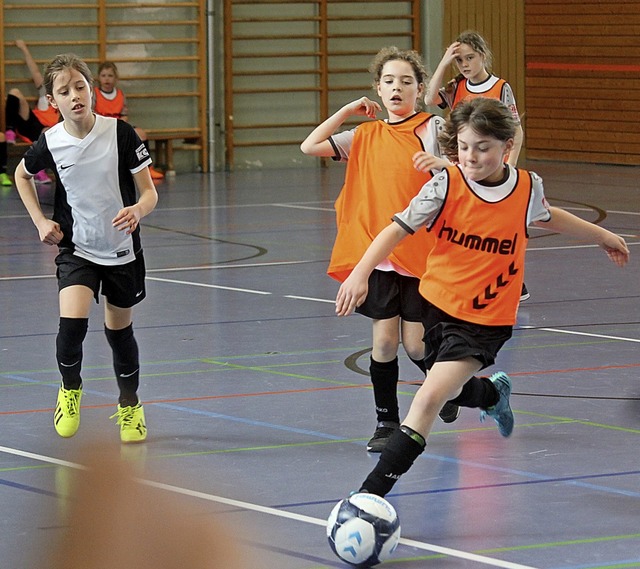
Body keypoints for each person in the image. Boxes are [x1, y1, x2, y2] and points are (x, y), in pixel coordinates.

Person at [335, 97, 629, 498]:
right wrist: (359, 273)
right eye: (464, 146)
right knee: (453, 387)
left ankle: (366, 498)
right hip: (438, 304)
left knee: (429, 398)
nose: (471, 157)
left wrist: (604, 236)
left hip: (487, 317)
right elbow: (396, 229)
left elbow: (547, 215)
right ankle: (492, 393)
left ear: (506, 147)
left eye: (483, 147)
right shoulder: (445, 184)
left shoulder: (526, 188)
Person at [301, 46, 458, 454]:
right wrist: (348, 110)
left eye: (406, 82)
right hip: (380, 255)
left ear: (419, 88)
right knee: (385, 343)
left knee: (417, 346)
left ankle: (452, 389)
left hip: (423, 253)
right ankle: (386, 422)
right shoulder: (364, 135)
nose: (396, 88)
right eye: (388, 81)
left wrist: (442, 166)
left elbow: (466, 171)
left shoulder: (432, 128)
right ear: (377, 88)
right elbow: (310, 146)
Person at [13, 53, 159, 443]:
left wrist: (138, 210)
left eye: (80, 87)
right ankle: (69, 390)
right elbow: (21, 175)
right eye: (64, 91)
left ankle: (130, 406)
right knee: (71, 327)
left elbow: (149, 192)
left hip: (122, 251)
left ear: (91, 90)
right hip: (77, 249)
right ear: (53, 101)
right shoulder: (51, 142)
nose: (74, 95)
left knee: (119, 332)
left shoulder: (121, 134)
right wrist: (41, 221)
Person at [424, 30, 531, 302]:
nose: (465, 65)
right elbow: (428, 99)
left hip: (491, 166)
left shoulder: (500, 87)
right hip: (461, 166)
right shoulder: (456, 86)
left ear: (482, 56)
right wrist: (444, 62)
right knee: (464, 223)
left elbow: (515, 130)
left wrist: (509, 166)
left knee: (497, 225)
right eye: (460, 61)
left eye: (470, 58)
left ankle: (513, 281)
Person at [93, 61, 164, 180]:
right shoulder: (94, 94)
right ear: (99, 78)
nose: (107, 79)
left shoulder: (120, 94)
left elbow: (125, 114)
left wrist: (119, 124)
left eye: (110, 76)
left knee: (141, 134)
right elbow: (92, 114)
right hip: (101, 126)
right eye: (103, 76)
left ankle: (147, 168)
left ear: (116, 78)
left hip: (118, 125)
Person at [5, 39, 59, 184]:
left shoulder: (63, 103)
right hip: (31, 125)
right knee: (15, 92)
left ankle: (39, 169)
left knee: (47, 131)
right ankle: (9, 130)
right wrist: (23, 48)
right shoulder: (45, 93)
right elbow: (34, 70)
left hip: (46, 134)